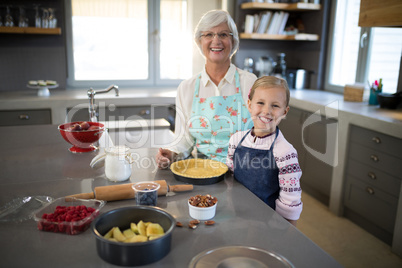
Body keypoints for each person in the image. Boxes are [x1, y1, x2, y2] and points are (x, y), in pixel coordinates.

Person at [156, 10, 257, 168]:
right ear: (199, 41)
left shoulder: (250, 83)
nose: (216, 41)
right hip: (203, 172)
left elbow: (264, 134)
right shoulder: (187, 88)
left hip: (245, 171)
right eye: (208, 34)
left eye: (223, 34)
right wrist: (172, 153)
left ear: (233, 41)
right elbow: (184, 138)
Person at [226, 76, 302, 226]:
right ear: (249, 104)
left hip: (267, 224)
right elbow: (229, 181)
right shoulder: (235, 140)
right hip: (236, 217)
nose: (266, 111)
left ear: (285, 112)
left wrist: (279, 233)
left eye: (275, 106)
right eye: (260, 103)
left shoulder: (285, 152)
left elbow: (290, 203)